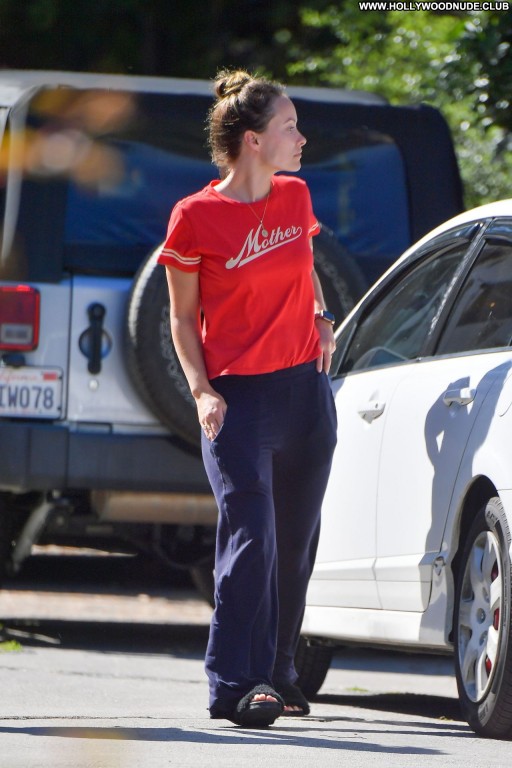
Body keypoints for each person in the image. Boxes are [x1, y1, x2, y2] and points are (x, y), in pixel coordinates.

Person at [158, 69, 337, 727]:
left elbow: (305, 270)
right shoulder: (195, 216)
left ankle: (280, 674)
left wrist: (319, 314)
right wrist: (201, 390)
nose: (302, 137)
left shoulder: (296, 196)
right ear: (254, 140)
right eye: (290, 126)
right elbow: (182, 319)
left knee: (294, 545)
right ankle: (236, 682)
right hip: (237, 401)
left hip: (305, 395)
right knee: (251, 537)